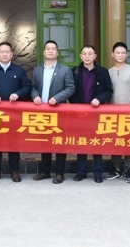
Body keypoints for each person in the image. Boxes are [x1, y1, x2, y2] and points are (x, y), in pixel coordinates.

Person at [0, 41, 31, 183]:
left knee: (13, 142)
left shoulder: (18, 70)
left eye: (7, 52)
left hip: (13, 113)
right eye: (2, 52)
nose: (4, 54)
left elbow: (27, 87)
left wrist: (18, 94)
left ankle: (14, 171)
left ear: (11, 54)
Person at [30, 40, 75, 184]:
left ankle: (59, 173)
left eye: (53, 49)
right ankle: (45, 171)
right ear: (44, 52)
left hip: (58, 111)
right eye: (48, 49)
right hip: (42, 112)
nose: (50, 51)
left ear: (57, 52)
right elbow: (33, 86)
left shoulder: (65, 70)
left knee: (59, 142)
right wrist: (35, 96)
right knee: (45, 142)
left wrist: (57, 98)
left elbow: (70, 88)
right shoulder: (37, 70)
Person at [70, 44, 113, 183]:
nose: (87, 56)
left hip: (97, 113)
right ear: (80, 56)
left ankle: (98, 173)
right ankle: (81, 172)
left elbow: (108, 91)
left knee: (96, 143)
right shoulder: (75, 71)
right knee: (81, 143)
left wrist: (99, 99)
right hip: (80, 114)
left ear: (95, 56)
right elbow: (71, 91)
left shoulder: (103, 72)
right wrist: (78, 108)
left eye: (90, 54)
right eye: (85, 54)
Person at [107, 41, 130, 183]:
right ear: (112, 54)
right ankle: (117, 169)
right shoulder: (109, 72)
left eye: (123, 53)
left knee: (129, 142)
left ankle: (128, 170)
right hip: (113, 113)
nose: (120, 55)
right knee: (114, 141)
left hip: (129, 113)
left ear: (126, 55)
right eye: (117, 53)